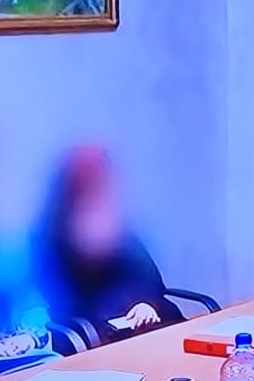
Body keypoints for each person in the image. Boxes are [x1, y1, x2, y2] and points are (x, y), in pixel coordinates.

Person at [34, 145, 179, 340]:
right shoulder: (53, 236)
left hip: (144, 319)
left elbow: (150, 279)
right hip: (94, 330)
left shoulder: (119, 227)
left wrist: (145, 303)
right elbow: (65, 300)